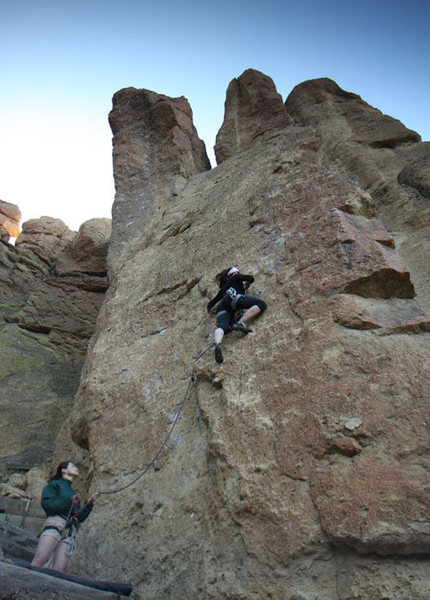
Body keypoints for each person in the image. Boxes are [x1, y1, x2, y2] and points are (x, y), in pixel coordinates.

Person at [31, 461, 99, 572]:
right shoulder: (54, 485)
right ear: (63, 470)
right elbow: (47, 505)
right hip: (55, 523)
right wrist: (69, 500)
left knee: (59, 569)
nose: (76, 468)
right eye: (73, 466)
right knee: (39, 560)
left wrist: (89, 503)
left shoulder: (72, 492)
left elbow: (79, 516)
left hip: (69, 530)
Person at [207, 266, 267, 364]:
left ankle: (218, 343)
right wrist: (244, 281)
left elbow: (212, 302)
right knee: (261, 304)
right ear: (234, 273)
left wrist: (209, 307)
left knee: (223, 327)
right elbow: (251, 278)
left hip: (222, 307)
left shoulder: (223, 288)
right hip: (235, 299)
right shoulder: (235, 277)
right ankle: (240, 322)